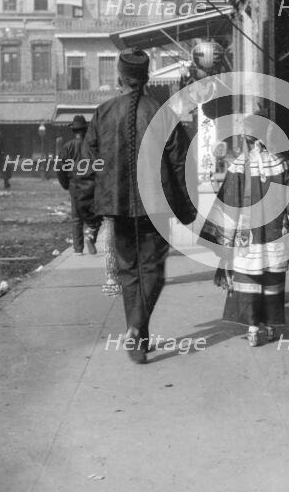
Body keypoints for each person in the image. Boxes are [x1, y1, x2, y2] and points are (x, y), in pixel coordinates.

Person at [77, 48, 196, 364]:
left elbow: (88, 166)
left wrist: (88, 210)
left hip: (116, 205)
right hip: (156, 205)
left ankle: (137, 336)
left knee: (129, 270)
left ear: (119, 78)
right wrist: (187, 210)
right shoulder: (162, 112)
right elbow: (182, 163)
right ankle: (137, 330)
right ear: (145, 80)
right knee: (153, 270)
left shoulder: (103, 113)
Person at [200, 114, 289, 347]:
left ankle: (253, 328)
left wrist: (224, 238)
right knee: (272, 279)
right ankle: (269, 327)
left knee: (248, 280)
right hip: (275, 232)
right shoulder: (280, 163)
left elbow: (229, 205)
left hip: (247, 236)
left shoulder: (238, 167)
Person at [56, 115, 100, 255]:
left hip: (74, 185)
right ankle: (90, 237)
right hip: (92, 185)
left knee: (76, 217)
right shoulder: (93, 146)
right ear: (85, 130)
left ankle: (78, 249)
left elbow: (60, 169)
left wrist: (66, 185)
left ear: (73, 131)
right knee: (95, 216)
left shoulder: (67, 147)